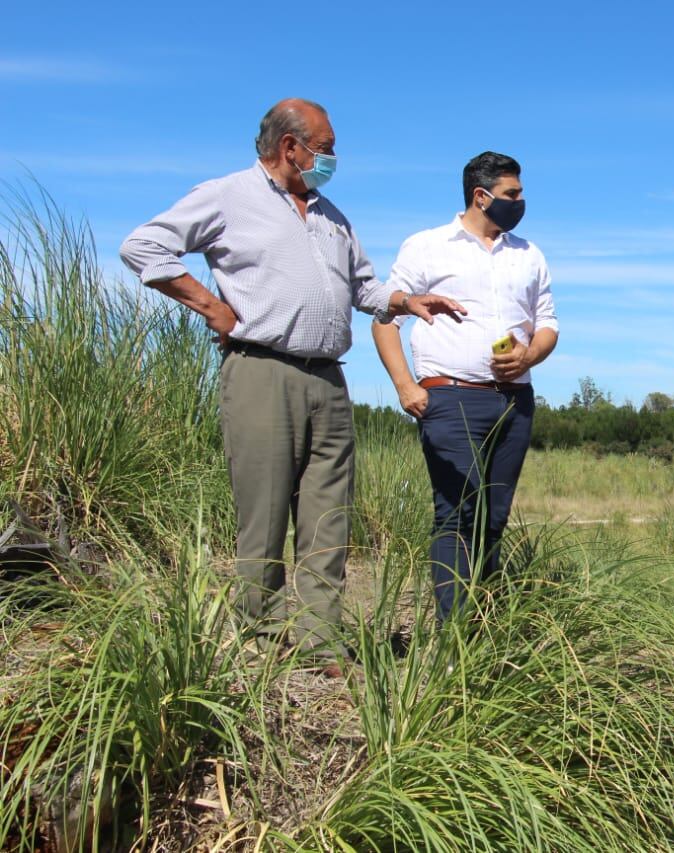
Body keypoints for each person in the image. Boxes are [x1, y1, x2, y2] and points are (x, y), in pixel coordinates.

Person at [119, 98, 463, 676]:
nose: (332, 159)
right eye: (325, 148)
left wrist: (406, 301)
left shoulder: (331, 215)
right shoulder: (228, 196)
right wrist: (209, 306)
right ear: (289, 147)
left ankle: (320, 638)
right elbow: (142, 247)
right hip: (262, 370)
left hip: (328, 378)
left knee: (330, 513)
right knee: (265, 505)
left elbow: (364, 288)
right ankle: (262, 633)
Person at [372, 151, 558, 622]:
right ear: (482, 196)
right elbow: (384, 318)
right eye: (512, 194)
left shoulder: (529, 254)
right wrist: (405, 387)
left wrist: (529, 355)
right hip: (449, 398)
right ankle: (454, 637)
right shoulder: (427, 246)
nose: (520, 201)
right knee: (458, 515)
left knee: (493, 519)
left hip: (514, 403)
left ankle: (484, 627)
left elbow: (548, 324)